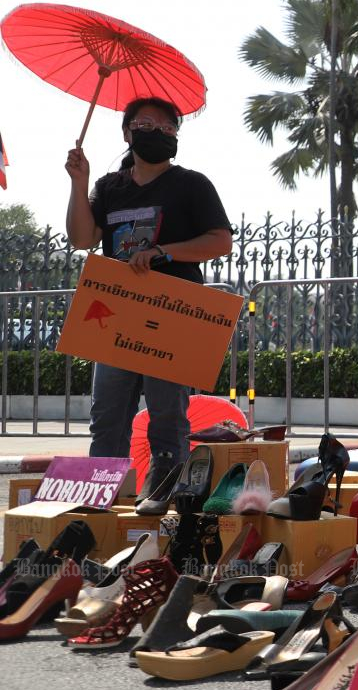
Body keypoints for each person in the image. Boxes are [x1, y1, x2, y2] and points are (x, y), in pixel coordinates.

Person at [64, 96, 232, 482]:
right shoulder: (109, 187)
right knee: (106, 416)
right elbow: (82, 237)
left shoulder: (192, 185)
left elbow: (221, 241)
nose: (158, 132)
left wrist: (163, 253)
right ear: (127, 133)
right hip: (115, 314)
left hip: (171, 314)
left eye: (168, 128)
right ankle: (103, 498)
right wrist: (79, 183)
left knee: (167, 416)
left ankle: (163, 497)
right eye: (147, 126)